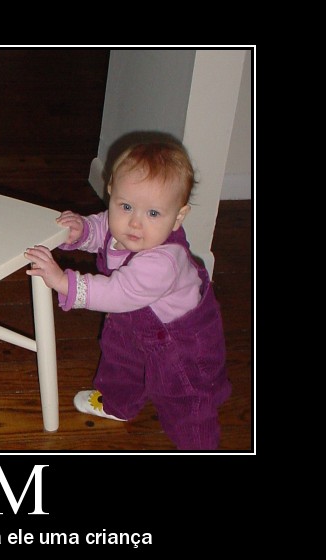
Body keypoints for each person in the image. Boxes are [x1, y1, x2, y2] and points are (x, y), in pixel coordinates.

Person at [24, 141, 231, 450]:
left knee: (184, 401)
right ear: (111, 192)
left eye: (153, 213)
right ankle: (118, 404)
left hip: (177, 346)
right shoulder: (123, 225)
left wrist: (63, 282)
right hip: (132, 324)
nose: (135, 222)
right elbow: (103, 229)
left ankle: (199, 445)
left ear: (178, 217)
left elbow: (117, 292)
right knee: (119, 362)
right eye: (125, 206)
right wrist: (82, 230)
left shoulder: (163, 263)